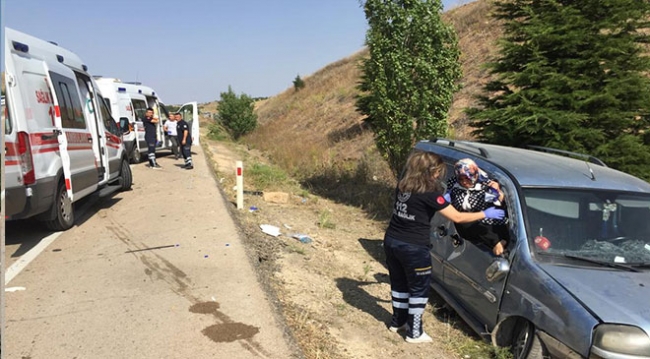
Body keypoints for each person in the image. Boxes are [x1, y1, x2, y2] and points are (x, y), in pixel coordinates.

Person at [384, 150, 504, 343]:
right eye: (438, 170)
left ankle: (397, 322)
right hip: (414, 247)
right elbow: (457, 217)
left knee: (399, 284)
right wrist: (485, 214)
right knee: (418, 289)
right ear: (431, 171)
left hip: (392, 241)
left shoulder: (403, 186)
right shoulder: (431, 194)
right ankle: (414, 333)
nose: (440, 174)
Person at [446, 158, 509, 256]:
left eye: (467, 178)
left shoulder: (487, 185)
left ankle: (500, 241)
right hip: (468, 225)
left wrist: (497, 193)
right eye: (461, 179)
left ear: (474, 175)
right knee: (468, 221)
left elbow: (495, 205)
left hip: (489, 222)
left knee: (495, 220)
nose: (464, 182)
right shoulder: (454, 184)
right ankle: (495, 242)